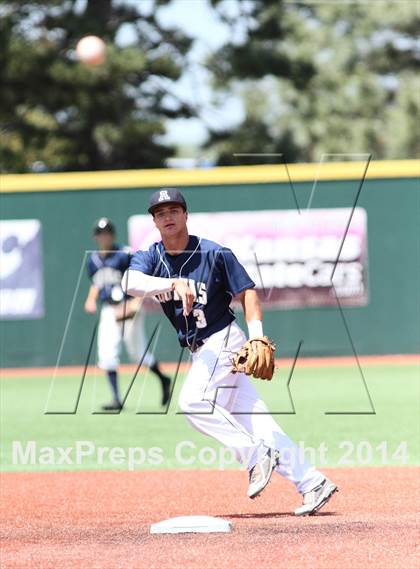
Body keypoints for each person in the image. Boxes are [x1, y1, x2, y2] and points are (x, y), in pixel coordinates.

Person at [123, 189, 337, 515]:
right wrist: (171, 284)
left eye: (173, 210)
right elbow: (130, 282)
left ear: (185, 215)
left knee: (193, 403)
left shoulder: (215, 254)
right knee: (257, 422)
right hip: (200, 350)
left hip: (223, 339)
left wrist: (257, 338)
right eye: (160, 212)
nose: (167, 217)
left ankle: (255, 455)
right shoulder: (152, 257)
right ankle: (312, 483)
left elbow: (247, 293)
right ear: (154, 221)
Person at [84, 217, 171, 411]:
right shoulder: (93, 260)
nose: (103, 237)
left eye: (107, 233)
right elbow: (97, 283)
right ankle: (117, 399)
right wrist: (90, 299)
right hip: (109, 309)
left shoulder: (124, 254)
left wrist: (136, 302)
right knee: (106, 354)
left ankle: (164, 379)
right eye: (100, 234)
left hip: (129, 307)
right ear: (95, 237)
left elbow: (141, 276)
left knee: (138, 354)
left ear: (113, 234)